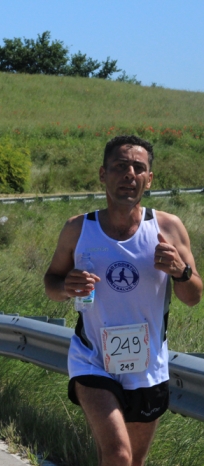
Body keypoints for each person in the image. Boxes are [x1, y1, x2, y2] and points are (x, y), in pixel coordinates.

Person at [44, 135, 202, 466]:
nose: (129, 173)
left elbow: (194, 296)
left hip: (147, 365)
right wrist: (66, 287)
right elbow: (51, 283)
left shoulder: (167, 227)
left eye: (138, 168)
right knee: (118, 454)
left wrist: (180, 271)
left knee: (132, 461)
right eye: (120, 166)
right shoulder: (78, 229)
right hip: (92, 358)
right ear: (103, 174)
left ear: (149, 179)